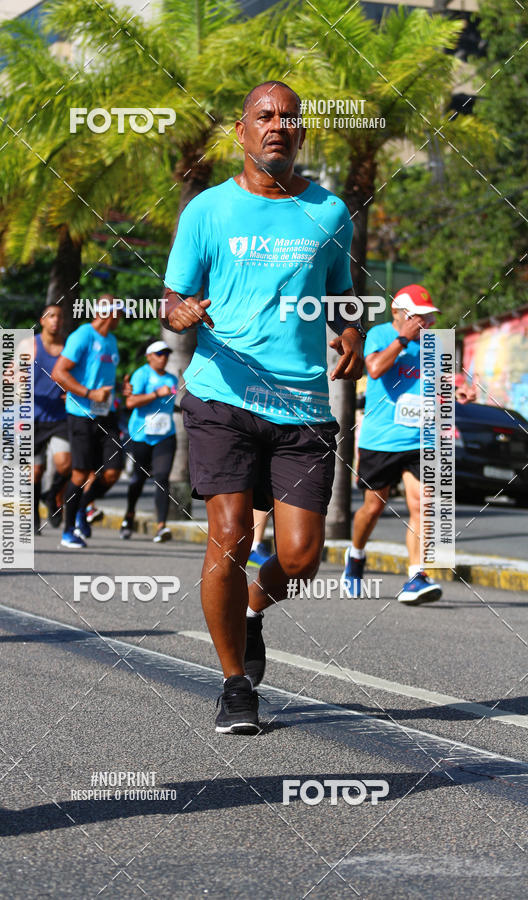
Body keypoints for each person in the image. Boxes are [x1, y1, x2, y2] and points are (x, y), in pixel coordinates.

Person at [161, 81, 365, 734]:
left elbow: (342, 293)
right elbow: (173, 297)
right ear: (243, 131)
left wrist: (352, 332)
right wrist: (181, 310)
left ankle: (252, 608)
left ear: (301, 133)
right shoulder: (208, 211)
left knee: (303, 556)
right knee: (231, 536)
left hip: (301, 405)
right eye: (264, 116)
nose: (277, 125)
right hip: (222, 396)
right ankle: (234, 684)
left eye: (289, 118)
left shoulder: (330, 212)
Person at [341, 284, 474, 605]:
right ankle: (356, 555)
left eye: (430, 318)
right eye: (420, 317)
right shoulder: (380, 335)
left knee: (423, 504)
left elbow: (441, 384)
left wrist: (458, 393)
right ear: (399, 313)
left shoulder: (435, 343)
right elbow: (373, 369)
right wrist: (402, 340)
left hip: (422, 438)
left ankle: (417, 576)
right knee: (373, 507)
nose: (427, 324)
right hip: (382, 439)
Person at [52, 296, 125, 549]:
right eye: (120, 312)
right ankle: (68, 530)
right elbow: (59, 373)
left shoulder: (112, 341)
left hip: (106, 415)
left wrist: (120, 388)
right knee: (81, 473)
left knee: (113, 471)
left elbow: (101, 378)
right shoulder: (83, 336)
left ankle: (83, 507)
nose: (123, 317)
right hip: (81, 415)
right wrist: (88, 393)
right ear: (107, 313)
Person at [120, 340, 178, 543]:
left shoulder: (172, 379)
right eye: (160, 354)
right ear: (149, 356)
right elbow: (130, 402)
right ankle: (129, 515)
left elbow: (172, 404)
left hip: (165, 435)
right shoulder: (141, 374)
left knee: (162, 477)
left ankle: (161, 526)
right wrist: (155, 394)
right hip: (142, 435)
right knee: (138, 478)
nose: (164, 357)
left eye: (166, 354)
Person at [29, 305, 72, 533]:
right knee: (35, 472)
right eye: (51, 316)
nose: (56, 320)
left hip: (59, 416)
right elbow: (11, 371)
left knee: (65, 464)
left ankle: (52, 494)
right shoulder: (30, 345)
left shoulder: (67, 348)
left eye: (59, 316)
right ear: (42, 320)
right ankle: (34, 515)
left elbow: (73, 375)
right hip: (32, 417)